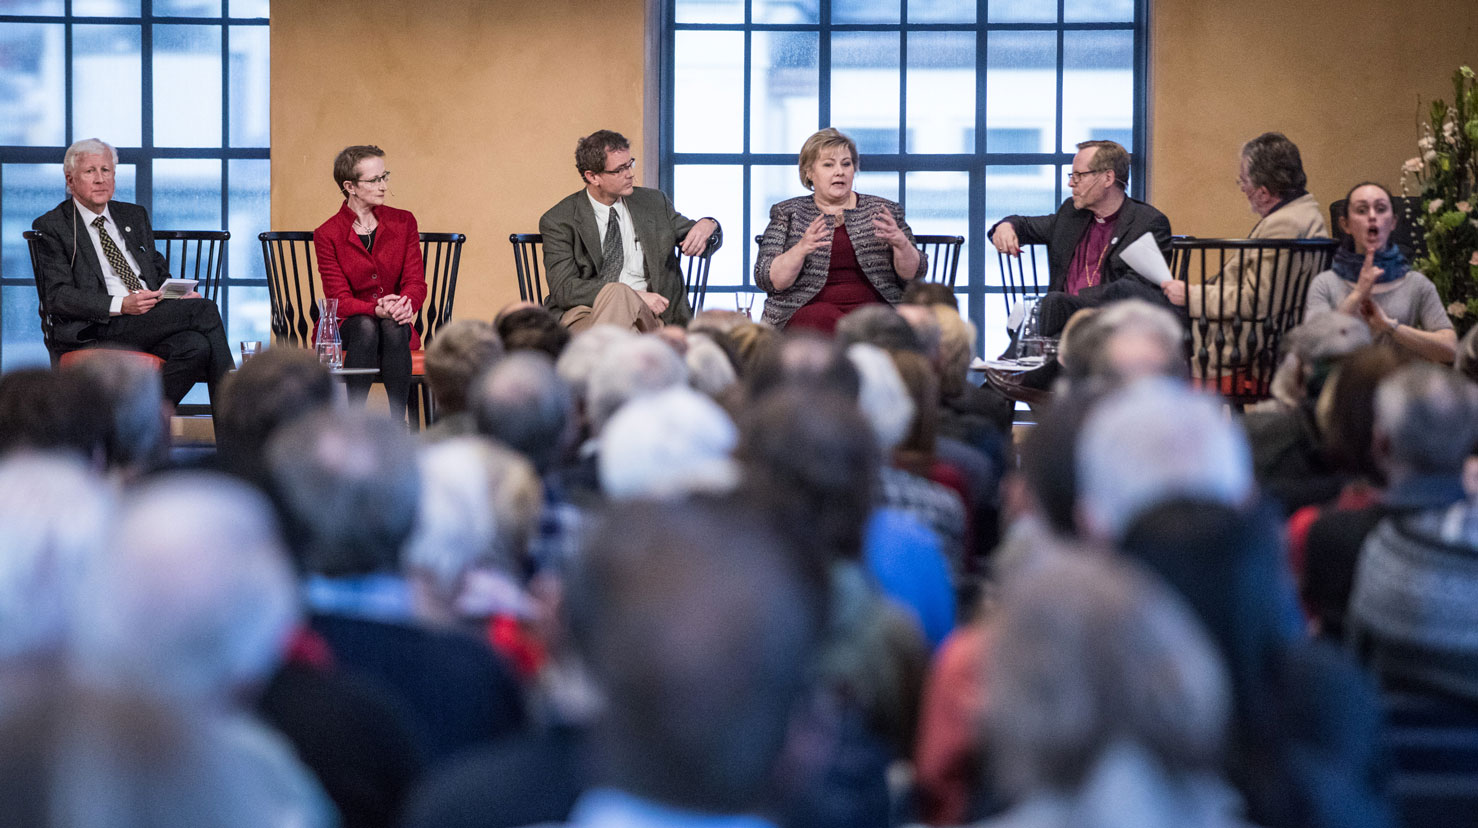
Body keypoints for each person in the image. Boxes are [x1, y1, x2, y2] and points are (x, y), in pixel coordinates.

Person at [29, 138, 233, 409]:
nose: (100, 179)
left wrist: (176, 294)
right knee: (204, 310)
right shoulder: (53, 226)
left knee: (196, 346)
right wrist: (122, 304)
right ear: (70, 179)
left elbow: (156, 270)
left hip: (147, 317)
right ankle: (238, 420)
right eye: (90, 171)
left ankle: (136, 424)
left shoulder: (133, 215)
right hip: (97, 326)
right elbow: (57, 296)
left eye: (106, 170)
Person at [988, 139, 1173, 337]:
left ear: (1108, 178)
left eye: (1079, 176)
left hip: (1115, 325)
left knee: (1052, 303)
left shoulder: (1147, 223)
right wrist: (1007, 226)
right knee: (1035, 314)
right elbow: (1026, 225)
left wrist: (1077, 299)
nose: (1071, 183)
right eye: (1072, 176)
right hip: (1060, 322)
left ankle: (1027, 354)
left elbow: (1138, 288)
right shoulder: (1072, 214)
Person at [540, 129, 720, 332]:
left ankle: (605, 349)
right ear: (593, 176)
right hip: (586, 314)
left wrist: (709, 224)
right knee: (626, 322)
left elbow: (701, 241)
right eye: (619, 170)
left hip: (649, 315)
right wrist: (631, 295)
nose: (630, 174)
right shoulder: (559, 220)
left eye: (630, 164)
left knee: (625, 332)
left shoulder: (653, 203)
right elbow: (564, 289)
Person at [755, 128, 926, 333]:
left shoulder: (884, 210)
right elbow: (769, 280)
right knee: (821, 318)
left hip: (873, 310)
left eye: (846, 164)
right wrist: (801, 249)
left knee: (874, 323)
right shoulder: (788, 212)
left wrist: (901, 244)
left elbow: (914, 275)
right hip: (806, 310)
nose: (840, 172)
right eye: (828, 164)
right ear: (809, 172)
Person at [314, 144, 427, 423]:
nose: (383, 186)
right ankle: (355, 423)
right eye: (374, 180)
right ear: (350, 186)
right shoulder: (327, 233)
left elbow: (415, 281)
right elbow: (339, 299)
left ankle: (397, 424)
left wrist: (405, 304)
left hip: (394, 323)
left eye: (384, 176)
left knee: (392, 326)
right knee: (366, 326)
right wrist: (375, 308)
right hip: (349, 325)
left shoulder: (404, 221)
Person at [1163, 132, 1330, 315]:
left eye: (1244, 181)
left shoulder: (1284, 223)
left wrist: (1191, 295)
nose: (1242, 188)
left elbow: (1257, 302)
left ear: (1263, 193)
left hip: (1242, 329)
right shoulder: (1305, 212)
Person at [1305, 182, 1457, 364]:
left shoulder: (1415, 282)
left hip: (1401, 380)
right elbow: (1311, 347)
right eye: (1361, 210)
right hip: (1344, 381)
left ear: (1393, 222)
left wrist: (1390, 327)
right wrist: (1357, 295)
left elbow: (1450, 350)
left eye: (1381, 209)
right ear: (1345, 224)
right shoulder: (1325, 283)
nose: (1372, 216)